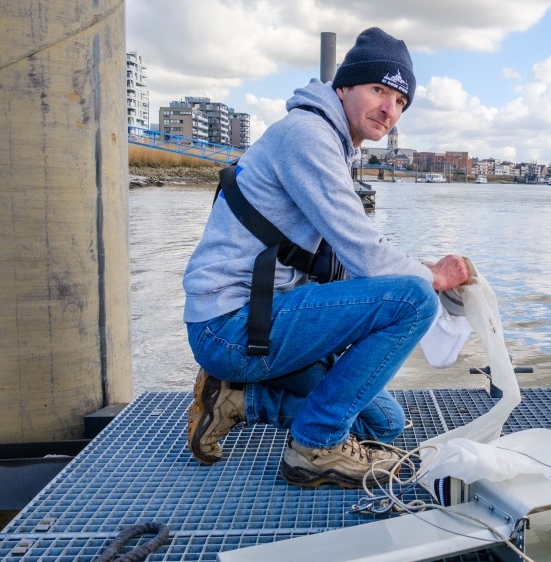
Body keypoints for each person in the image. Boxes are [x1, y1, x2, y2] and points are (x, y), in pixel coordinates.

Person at [182, 27, 469, 489]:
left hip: (260, 320)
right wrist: (432, 275)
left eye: (400, 101)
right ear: (345, 86)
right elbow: (364, 252)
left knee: (384, 426)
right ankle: (314, 448)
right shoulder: (309, 136)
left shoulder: (333, 141)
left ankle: (236, 400)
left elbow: (350, 265)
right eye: (379, 89)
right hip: (233, 328)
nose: (388, 109)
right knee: (416, 299)